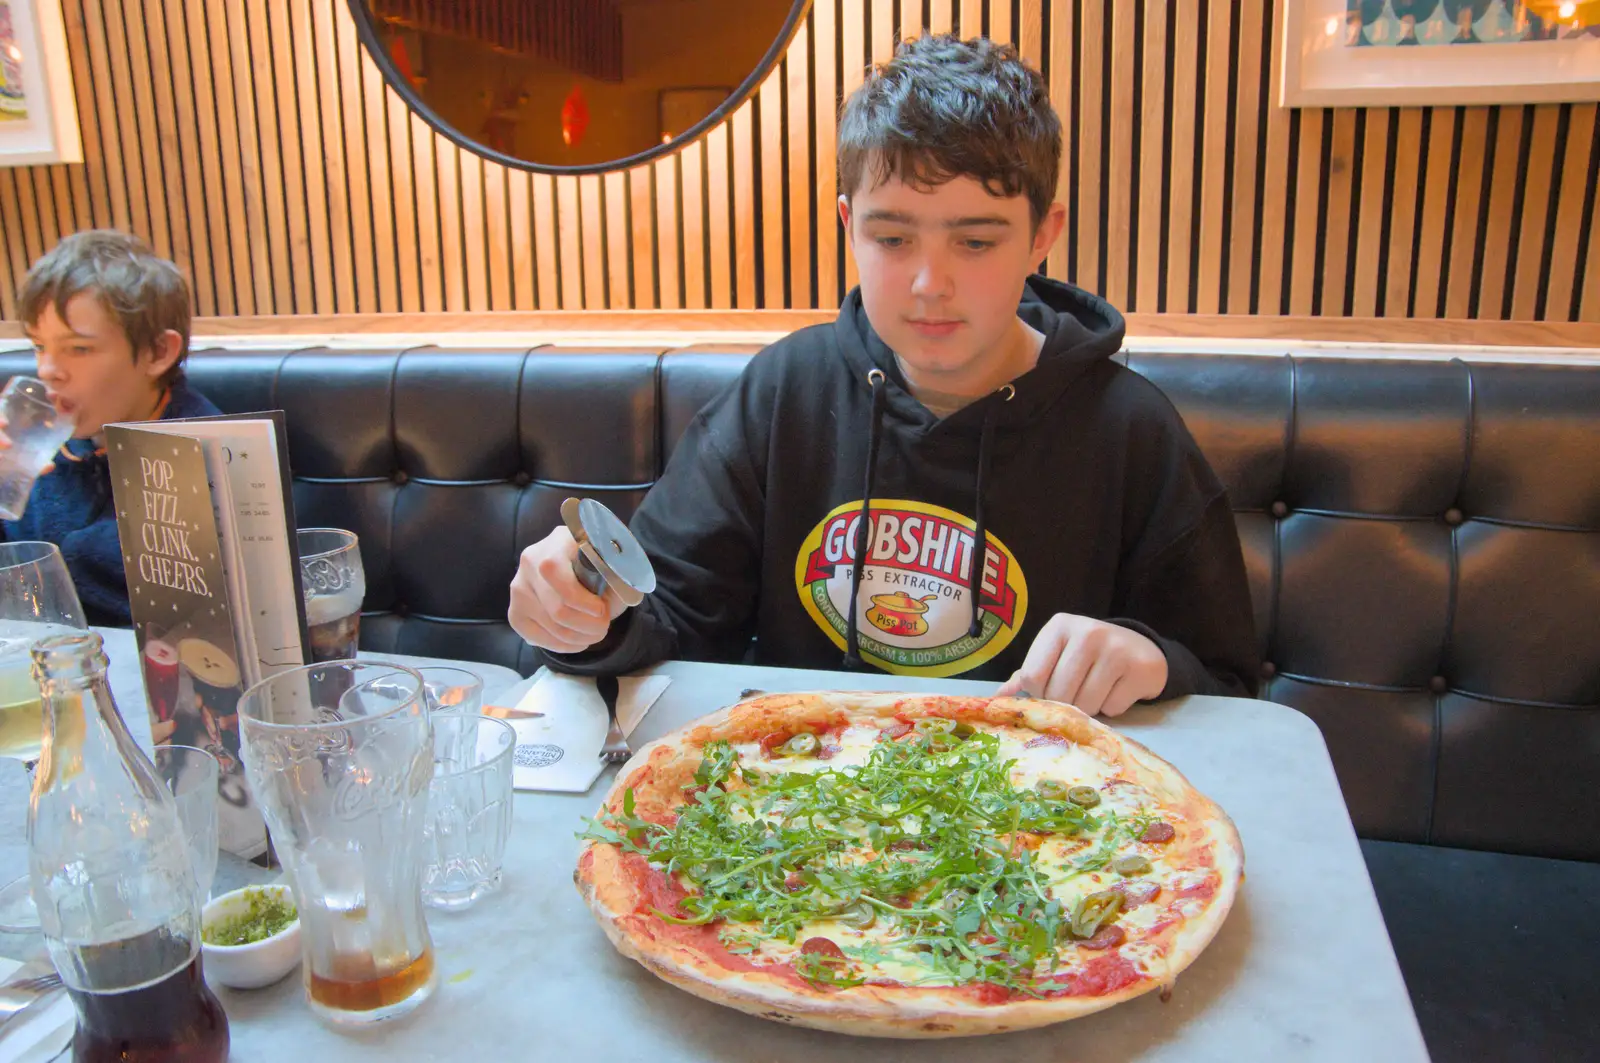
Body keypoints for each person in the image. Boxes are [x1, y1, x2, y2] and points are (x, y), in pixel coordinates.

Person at [508, 35, 1258, 715]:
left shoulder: (1129, 429)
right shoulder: (784, 393)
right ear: (848, 226)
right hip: (801, 811)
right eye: (893, 237)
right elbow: (665, 618)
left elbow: (1226, 682)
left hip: (1043, 834)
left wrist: (1154, 659)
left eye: (976, 241)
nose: (930, 282)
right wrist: (581, 615)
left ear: (1042, 237)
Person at [1, 230, 221, 626]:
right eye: (38, 346)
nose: (48, 370)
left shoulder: (211, 456)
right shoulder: (42, 442)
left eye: (79, 349)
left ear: (158, 353)